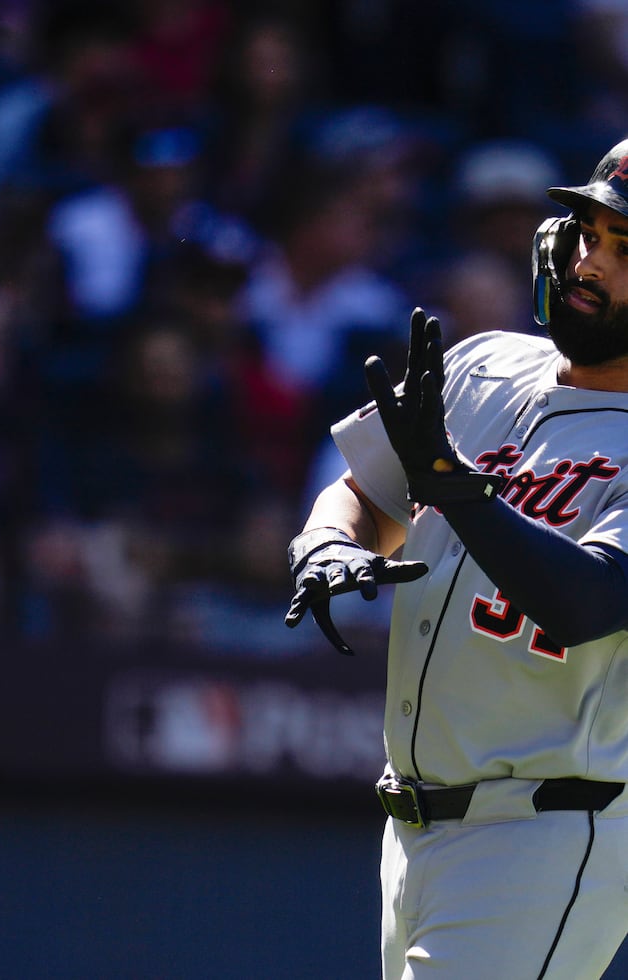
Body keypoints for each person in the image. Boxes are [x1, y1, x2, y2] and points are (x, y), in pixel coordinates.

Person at [284, 138, 628, 978]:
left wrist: (462, 491)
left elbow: (588, 602)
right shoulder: (483, 364)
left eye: (626, 251)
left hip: (549, 832)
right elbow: (362, 495)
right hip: (411, 827)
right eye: (586, 229)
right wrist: (328, 540)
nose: (589, 261)